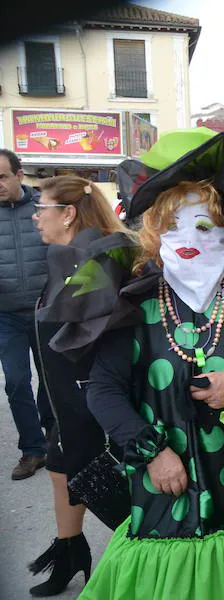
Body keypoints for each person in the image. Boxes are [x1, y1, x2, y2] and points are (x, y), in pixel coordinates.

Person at [82, 129, 224, 599]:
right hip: (163, 498)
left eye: (204, 226)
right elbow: (102, 390)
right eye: (172, 225)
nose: (187, 239)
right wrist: (152, 452)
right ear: (154, 231)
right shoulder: (134, 302)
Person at [26, 175, 137, 597]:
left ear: (68, 212)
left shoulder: (101, 259)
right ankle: (70, 549)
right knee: (59, 468)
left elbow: (95, 332)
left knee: (101, 482)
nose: (36, 217)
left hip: (91, 397)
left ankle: (143, 556)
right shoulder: (74, 255)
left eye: (43, 208)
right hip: (63, 395)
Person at [0, 148, 53, 480]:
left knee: (51, 380)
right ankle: (32, 451)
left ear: (20, 175)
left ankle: (54, 437)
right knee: (17, 382)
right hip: (6, 316)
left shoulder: (44, 208)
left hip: (45, 310)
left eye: (2, 176)